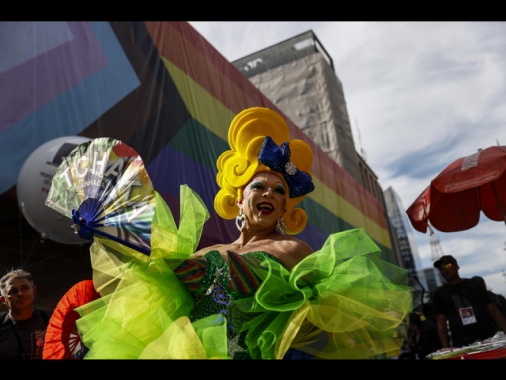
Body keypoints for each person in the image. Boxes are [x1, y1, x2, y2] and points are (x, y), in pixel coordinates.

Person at [73, 107, 412, 359]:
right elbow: (153, 271)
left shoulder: (294, 250)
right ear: (239, 198)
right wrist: (107, 230)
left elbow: (330, 319)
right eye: (259, 187)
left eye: (280, 192)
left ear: (284, 209)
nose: (269, 194)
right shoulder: (206, 254)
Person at [432, 255, 506, 348]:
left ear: (457, 266)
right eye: (441, 269)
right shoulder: (440, 293)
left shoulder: (474, 284)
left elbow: (494, 311)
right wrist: (446, 349)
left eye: (447, 266)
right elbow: (441, 324)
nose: (444, 270)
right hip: (462, 344)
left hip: (488, 339)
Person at [0, 268, 52, 359]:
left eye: (25, 288)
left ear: (34, 291)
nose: (20, 294)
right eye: (13, 291)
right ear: (3, 300)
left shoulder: (51, 319)